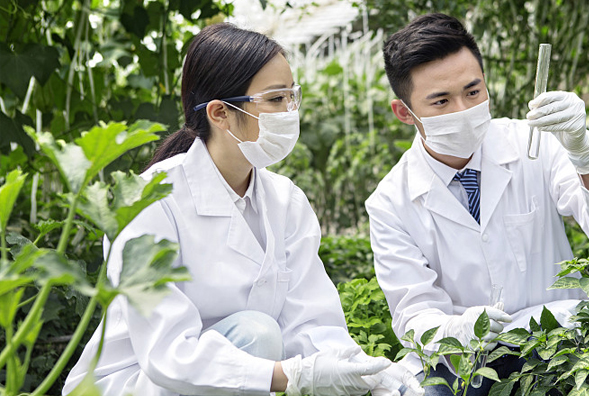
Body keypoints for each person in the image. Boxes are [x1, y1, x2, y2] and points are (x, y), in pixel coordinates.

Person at [63, 23, 423, 396]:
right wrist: (293, 375)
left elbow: (312, 322)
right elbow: (168, 355)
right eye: (275, 99)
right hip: (133, 385)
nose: (289, 111)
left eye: (292, 96)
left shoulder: (285, 201)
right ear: (220, 113)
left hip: (226, 386)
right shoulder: (148, 199)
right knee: (257, 333)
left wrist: (367, 374)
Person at [365, 13, 589, 395]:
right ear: (404, 113)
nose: (463, 109)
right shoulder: (390, 202)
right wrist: (457, 329)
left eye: (473, 92)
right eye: (441, 101)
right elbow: (414, 313)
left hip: (557, 346)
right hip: (465, 362)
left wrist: (585, 151)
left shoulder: (534, 143)